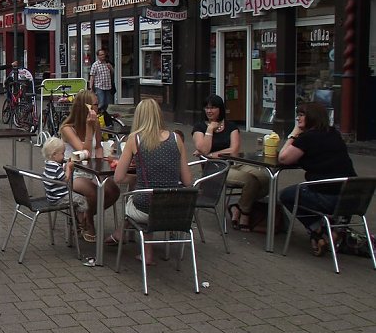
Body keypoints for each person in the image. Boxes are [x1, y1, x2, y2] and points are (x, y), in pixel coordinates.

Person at [111, 98, 193, 264]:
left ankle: (125, 239)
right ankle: (144, 251)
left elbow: (118, 178)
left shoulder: (135, 139)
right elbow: (188, 180)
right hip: (175, 210)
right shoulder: (177, 138)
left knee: (136, 200)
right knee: (152, 195)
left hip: (146, 209)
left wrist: (136, 178)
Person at [279, 102, 357, 256]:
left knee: (287, 195)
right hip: (351, 197)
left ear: (312, 117)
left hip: (328, 197)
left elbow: (283, 158)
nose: (298, 118)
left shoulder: (308, 138)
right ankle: (334, 229)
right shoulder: (334, 134)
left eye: (301, 115)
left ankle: (318, 230)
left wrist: (294, 133)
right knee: (304, 190)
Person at [192, 94, 269, 231]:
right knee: (250, 181)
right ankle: (245, 213)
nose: (209, 111)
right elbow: (203, 149)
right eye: (207, 108)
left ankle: (237, 206)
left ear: (220, 109)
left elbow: (234, 149)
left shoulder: (231, 126)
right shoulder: (200, 127)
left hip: (235, 162)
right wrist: (210, 130)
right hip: (215, 168)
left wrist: (211, 154)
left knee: (265, 179)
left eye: (213, 107)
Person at [59, 89, 121, 241]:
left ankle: (86, 215)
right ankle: (89, 224)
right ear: (84, 107)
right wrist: (88, 128)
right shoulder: (68, 128)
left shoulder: (96, 123)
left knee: (113, 190)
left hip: (91, 169)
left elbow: (98, 146)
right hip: (73, 171)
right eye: (94, 104)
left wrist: (100, 162)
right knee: (93, 192)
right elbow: (84, 152)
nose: (97, 108)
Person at [42, 137, 92, 239]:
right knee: (82, 199)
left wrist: (65, 167)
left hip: (51, 196)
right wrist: (69, 168)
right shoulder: (55, 167)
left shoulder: (49, 164)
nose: (64, 156)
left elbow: (59, 176)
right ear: (54, 154)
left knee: (76, 197)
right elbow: (66, 179)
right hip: (59, 198)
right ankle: (81, 222)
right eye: (62, 153)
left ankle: (77, 219)